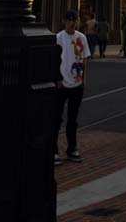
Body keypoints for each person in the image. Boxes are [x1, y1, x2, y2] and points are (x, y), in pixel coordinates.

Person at [54, 10, 90, 164]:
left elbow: (85, 59)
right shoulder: (58, 38)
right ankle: (54, 151)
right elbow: (54, 59)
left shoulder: (81, 37)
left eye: (75, 20)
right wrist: (57, 79)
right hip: (61, 84)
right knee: (56, 118)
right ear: (64, 21)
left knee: (73, 119)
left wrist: (84, 80)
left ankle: (72, 148)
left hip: (77, 83)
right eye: (69, 20)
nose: (72, 22)